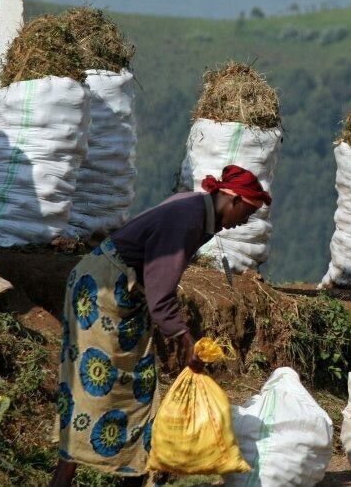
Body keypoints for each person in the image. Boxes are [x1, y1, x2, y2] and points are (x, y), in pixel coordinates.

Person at [51, 165, 271, 487]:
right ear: (232, 199)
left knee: (138, 383)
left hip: (118, 292)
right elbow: (161, 294)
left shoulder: (196, 210)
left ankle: (132, 473)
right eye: (247, 212)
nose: (245, 222)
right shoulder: (187, 220)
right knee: (95, 388)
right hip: (101, 294)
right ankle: (65, 477)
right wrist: (187, 342)